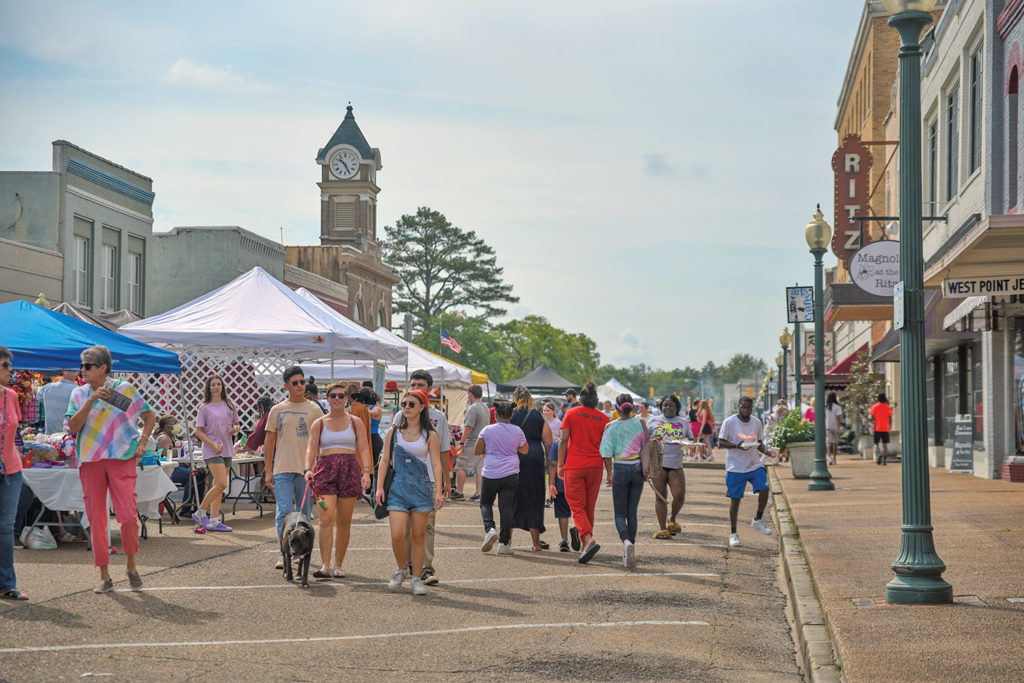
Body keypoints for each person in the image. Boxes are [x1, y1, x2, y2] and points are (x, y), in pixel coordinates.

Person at [66, 345, 155, 593]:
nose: (81, 370)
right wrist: (91, 400)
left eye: (87, 366)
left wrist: (143, 441)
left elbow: (149, 416)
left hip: (121, 457)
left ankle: (131, 565)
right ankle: (104, 575)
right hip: (91, 461)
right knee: (96, 519)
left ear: (103, 368)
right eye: (81, 365)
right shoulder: (79, 394)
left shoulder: (122, 391)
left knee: (127, 516)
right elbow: (73, 427)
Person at [376, 389, 444, 596]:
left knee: (418, 535)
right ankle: (401, 569)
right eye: (404, 404)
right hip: (397, 487)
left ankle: (416, 578)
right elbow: (384, 461)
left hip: (422, 488)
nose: (406, 407)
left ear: (422, 407)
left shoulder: (430, 435)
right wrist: (379, 487)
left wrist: (439, 491)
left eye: (411, 404)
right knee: (397, 535)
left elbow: (436, 463)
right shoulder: (393, 432)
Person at [304, 383, 372, 578]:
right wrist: (307, 469)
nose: (337, 399)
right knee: (326, 519)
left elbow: (365, 448)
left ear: (346, 398)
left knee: (344, 522)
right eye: (333, 395)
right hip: (325, 469)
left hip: (350, 469)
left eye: (341, 396)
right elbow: (311, 448)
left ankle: (338, 565)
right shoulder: (320, 423)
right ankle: (325, 565)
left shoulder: (355, 421)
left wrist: (366, 473)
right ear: (327, 398)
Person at [264, 366, 322, 569]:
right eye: (295, 383)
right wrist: (268, 470)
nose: (300, 386)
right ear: (286, 386)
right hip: (282, 468)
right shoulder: (276, 409)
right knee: (283, 512)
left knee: (305, 515)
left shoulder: (315, 409)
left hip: (307, 470)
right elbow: (269, 442)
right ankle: (284, 553)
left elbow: (320, 441)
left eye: (302, 382)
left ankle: (303, 553)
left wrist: (319, 468)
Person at [404, 370, 450, 586]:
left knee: (427, 525)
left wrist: (446, 481)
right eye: (413, 384)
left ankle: (425, 567)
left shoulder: (439, 418)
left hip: (430, 479)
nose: (415, 389)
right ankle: (406, 564)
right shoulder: (401, 414)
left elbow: (443, 451)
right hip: (404, 479)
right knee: (404, 524)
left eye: (420, 385)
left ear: (429, 390)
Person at [557, 381, 610, 563]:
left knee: (576, 506)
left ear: (580, 399)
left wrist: (559, 465)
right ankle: (586, 543)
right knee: (588, 507)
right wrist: (609, 472)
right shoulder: (604, 419)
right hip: (596, 466)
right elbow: (607, 449)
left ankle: (587, 538)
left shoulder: (571, 413)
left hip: (575, 465)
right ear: (596, 401)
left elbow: (563, 441)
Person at [717, 397, 773, 547]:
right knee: (735, 500)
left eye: (748, 408)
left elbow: (759, 443)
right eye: (743, 407)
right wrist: (737, 445)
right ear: (738, 406)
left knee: (764, 488)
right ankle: (733, 533)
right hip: (735, 466)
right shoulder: (729, 422)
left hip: (754, 464)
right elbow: (720, 442)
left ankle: (758, 520)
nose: (746, 410)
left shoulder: (756, 422)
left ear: (752, 408)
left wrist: (767, 452)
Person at [600, 394, 648, 570]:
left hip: (620, 467)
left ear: (617, 408)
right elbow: (647, 443)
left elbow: (606, 453)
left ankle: (626, 542)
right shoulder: (640, 423)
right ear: (632, 407)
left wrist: (609, 474)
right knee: (632, 511)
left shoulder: (611, 426)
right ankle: (631, 546)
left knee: (619, 514)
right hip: (637, 468)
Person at [476, 400, 529, 555]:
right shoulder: (517, 431)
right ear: (511, 415)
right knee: (506, 508)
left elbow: (477, 449)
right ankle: (504, 544)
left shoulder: (487, 430)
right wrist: (512, 446)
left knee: (485, 503)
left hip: (491, 471)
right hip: (511, 472)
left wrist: (490, 447)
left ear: (495, 414)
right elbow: (525, 450)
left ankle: (490, 529)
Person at [191, 375, 240, 532]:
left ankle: (213, 520)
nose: (216, 386)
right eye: (213, 384)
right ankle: (200, 512)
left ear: (223, 387)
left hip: (227, 448)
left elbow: (236, 424)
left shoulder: (229, 405)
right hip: (212, 449)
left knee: (217, 486)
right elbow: (199, 432)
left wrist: (235, 429)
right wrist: (212, 444)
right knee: (222, 484)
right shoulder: (204, 408)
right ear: (209, 387)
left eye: (219, 384)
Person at [1, 345, 29, 601]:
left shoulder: (11, 395)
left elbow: (14, 431)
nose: (11, 370)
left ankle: (7, 584)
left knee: (5, 527)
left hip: (11, 469)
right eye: (6, 365)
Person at [510, 386, 553, 551]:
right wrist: (549, 462)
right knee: (535, 498)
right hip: (534, 457)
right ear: (530, 398)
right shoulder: (537, 415)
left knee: (512, 497)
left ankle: (507, 540)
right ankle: (536, 543)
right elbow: (548, 442)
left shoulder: (510, 414)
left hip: (515, 457)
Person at [646, 395, 689, 539]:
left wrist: (687, 442)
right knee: (661, 497)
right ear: (661, 407)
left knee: (680, 495)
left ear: (677, 407)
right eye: (665, 405)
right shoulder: (652, 421)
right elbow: (644, 441)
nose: (668, 408)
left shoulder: (683, 422)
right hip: (658, 465)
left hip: (676, 464)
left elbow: (690, 439)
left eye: (671, 405)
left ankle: (672, 519)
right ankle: (663, 529)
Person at [156, 415, 206, 517]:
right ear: (166, 426)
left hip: (177, 467)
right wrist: (183, 447)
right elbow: (169, 454)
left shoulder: (172, 437)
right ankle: (185, 508)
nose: (177, 425)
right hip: (168, 470)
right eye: (174, 423)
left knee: (201, 474)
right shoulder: (164, 437)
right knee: (193, 475)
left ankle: (198, 507)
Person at [454, 385, 488, 501]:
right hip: (483, 442)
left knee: (460, 465)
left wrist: (462, 442)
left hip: (472, 442)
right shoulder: (485, 407)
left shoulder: (473, 408)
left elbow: (469, 427)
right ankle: (479, 493)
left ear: (470, 395)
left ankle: (459, 491)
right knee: (479, 468)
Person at [545, 438, 572, 551]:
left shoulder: (557, 443)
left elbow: (553, 465)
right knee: (580, 511)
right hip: (579, 482)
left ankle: (564, 540)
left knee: (563, 512)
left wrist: (551, 484)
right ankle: (581, 534)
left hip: (562, 482)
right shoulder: (581, 441)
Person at [35, 369, 77, 434]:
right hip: (68, 437)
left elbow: (36, 393)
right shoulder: (77, 391)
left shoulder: (48, 387)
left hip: (49, 435)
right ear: (77, 373)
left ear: (63, 372)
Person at [869, 393, 893, 465]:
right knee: (885, 445)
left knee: (876, 444)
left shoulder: (875, 406)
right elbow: (890, 418)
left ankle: (878, 453)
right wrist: (890, 426)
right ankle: (884, 460)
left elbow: (871, 417)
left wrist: (874, 421)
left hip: (877, 428)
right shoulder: (888, 407)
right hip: (885, 428)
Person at [824, 392, 842, 466]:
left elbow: (824, 418)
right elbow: (838, 419)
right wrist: (838, 429)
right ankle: (834, 458)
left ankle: (829, 458)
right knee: (835, 444)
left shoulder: (825, 407)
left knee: (828, 444)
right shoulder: (837, 407)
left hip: (828, 427)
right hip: (835, 427)